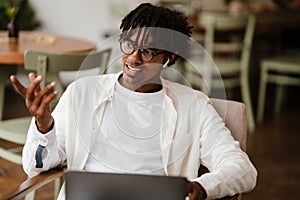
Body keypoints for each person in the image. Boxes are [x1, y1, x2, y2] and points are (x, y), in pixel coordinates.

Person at [10, 3, 257, 200]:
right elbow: (35, 167)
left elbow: (242, 169)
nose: (134, 58)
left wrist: (201, 188)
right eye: (129, 44)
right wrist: (44, 126)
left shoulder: (193, 105)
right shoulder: (81, 93)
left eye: (148, 51)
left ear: (169, 58)